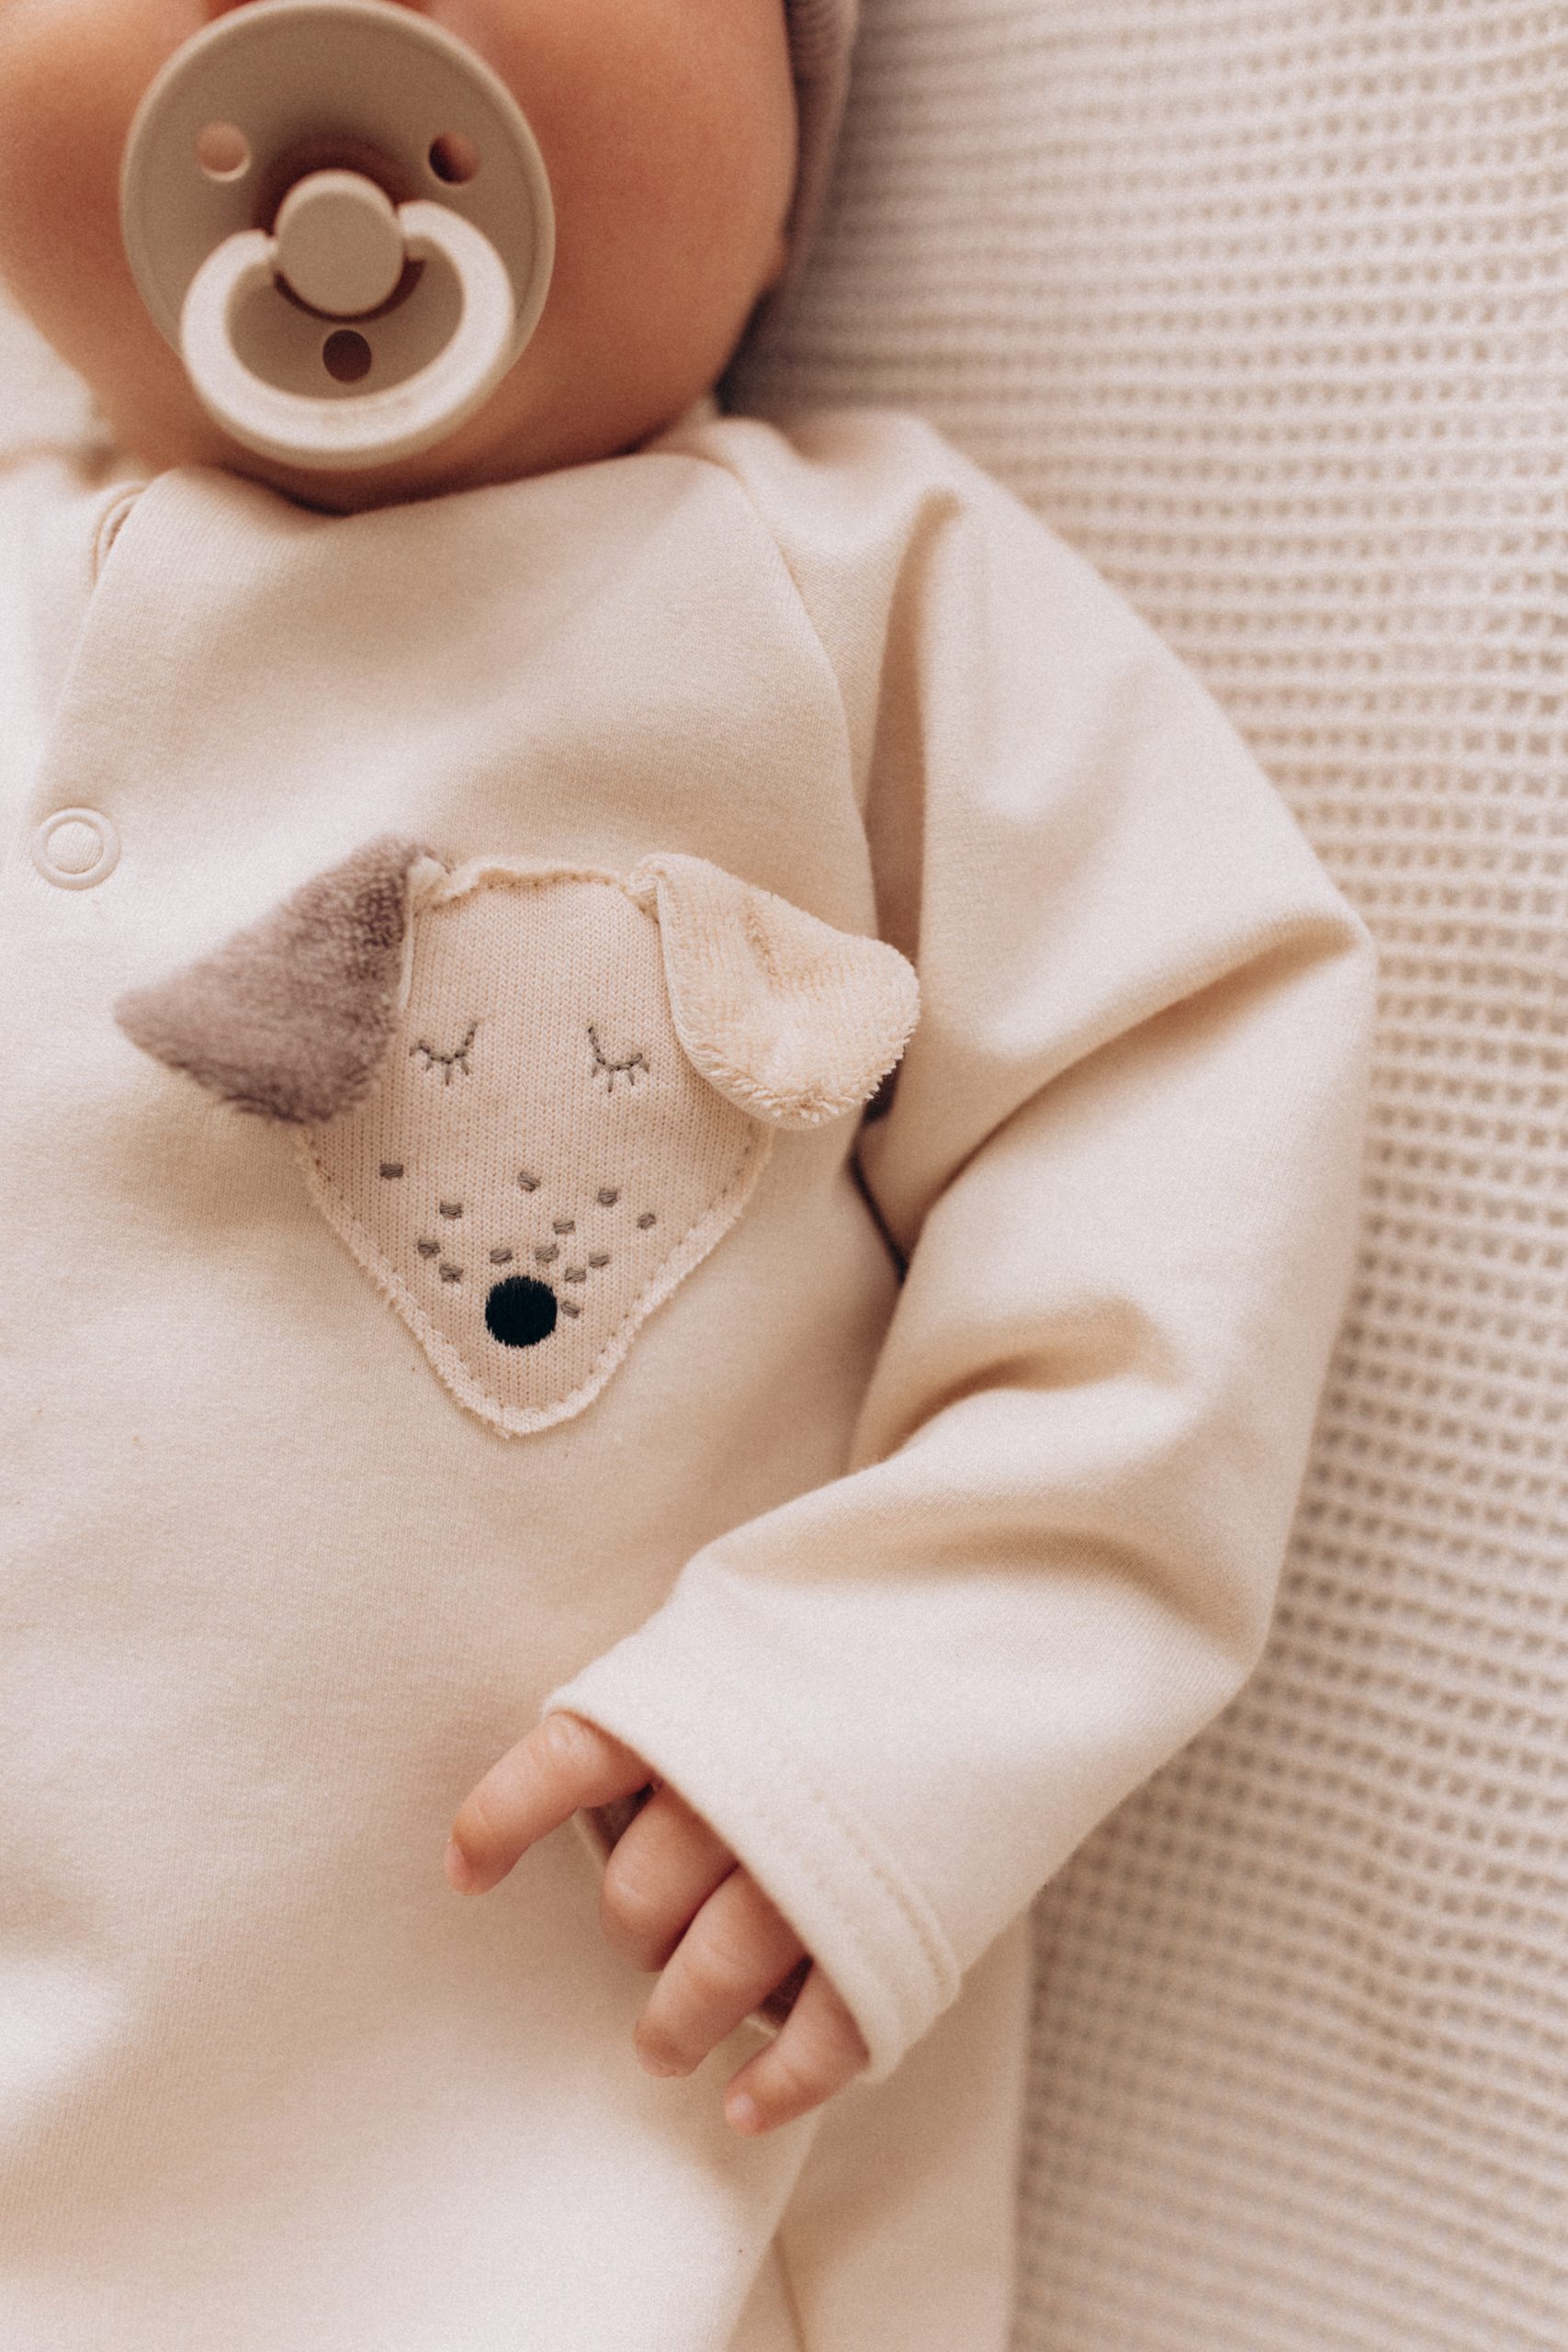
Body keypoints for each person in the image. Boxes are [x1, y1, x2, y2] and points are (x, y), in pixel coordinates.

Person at [0, 0, 1377, 2344]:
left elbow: (1178, 1124)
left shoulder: (850, 600)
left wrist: (876, 1710)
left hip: (593, 2156)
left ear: (784, 170)